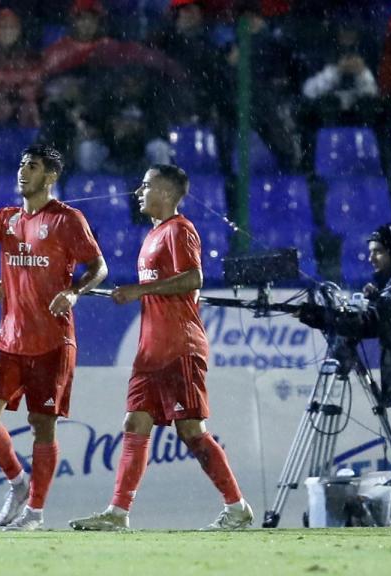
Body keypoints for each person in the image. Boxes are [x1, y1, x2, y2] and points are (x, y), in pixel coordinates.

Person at [68, 164, 254, 532]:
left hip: (179, 347)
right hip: (150, 351)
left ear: (166, 193)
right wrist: (137, 292)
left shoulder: (180, 230)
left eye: (146, 184)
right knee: (135, 422)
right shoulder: (152, 235)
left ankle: (237, 508)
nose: (139, 190)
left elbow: (194, 278)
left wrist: (139, 290)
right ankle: (117, 513)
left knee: (190, 431)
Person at [0, 144, 107, 531]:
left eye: (31, 166)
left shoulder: (67, 220)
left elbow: (99, 266)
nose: (22, 172)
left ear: (50, 177)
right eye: (20, 164)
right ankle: (17, 482)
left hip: (52, 342)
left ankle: (35, 513)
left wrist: (74, 292)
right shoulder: (7, 219)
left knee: (41, 425)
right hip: (9, 341)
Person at [297, 221, 391, 526]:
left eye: (378, 252)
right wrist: (381, 291)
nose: (371, 259)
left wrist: (317, 316)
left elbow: (367, 322)